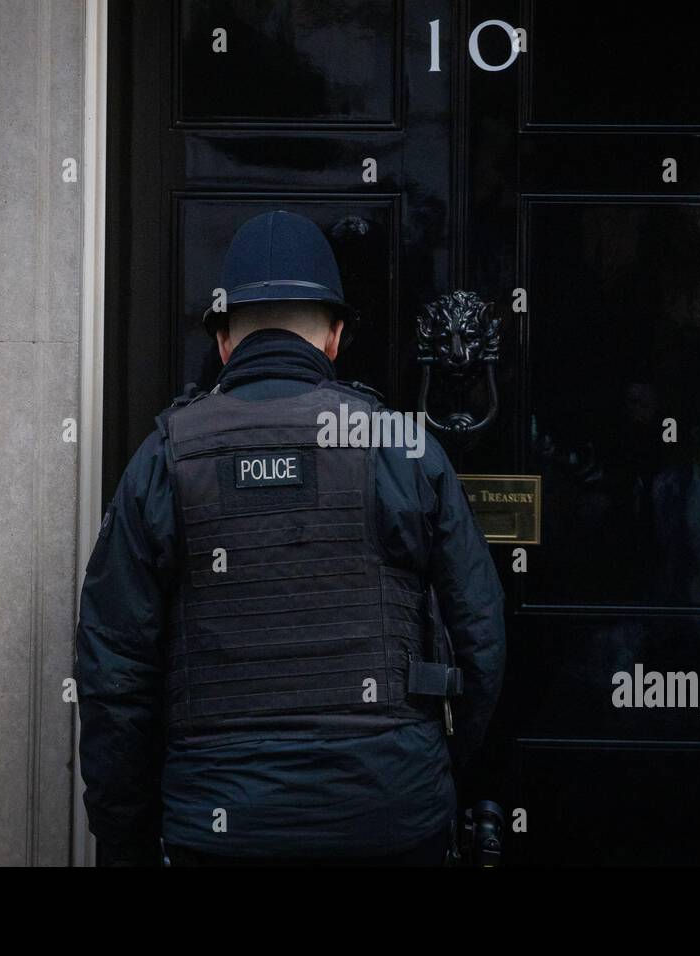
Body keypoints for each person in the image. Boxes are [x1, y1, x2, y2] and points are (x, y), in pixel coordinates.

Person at [74, 210, 505, 865]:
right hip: (387, 813)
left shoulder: (166, 459)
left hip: (221, 828)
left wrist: (124, 839)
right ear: (334, 337)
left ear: (224, 341)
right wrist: (427, 762)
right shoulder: (401, 447)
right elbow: (480, 641)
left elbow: (113, 679)